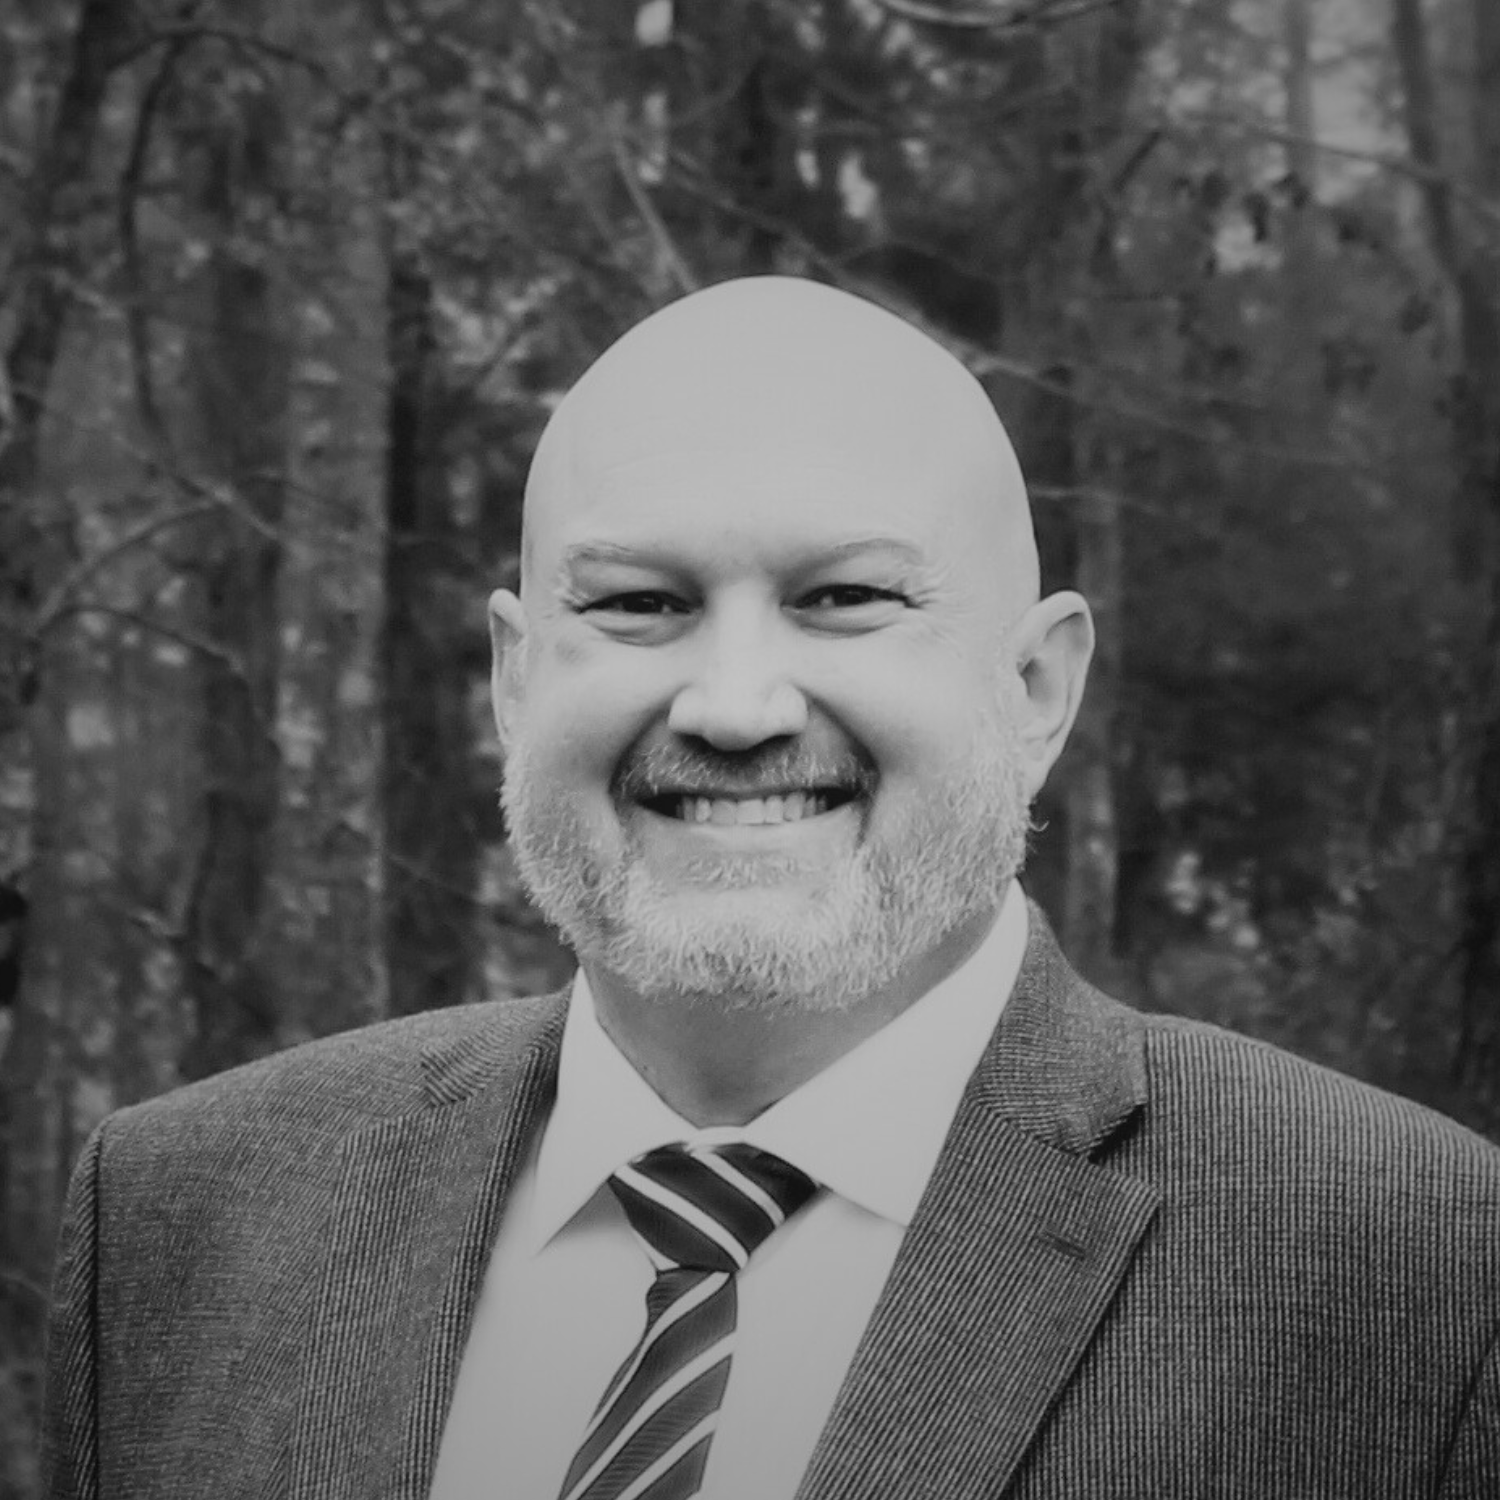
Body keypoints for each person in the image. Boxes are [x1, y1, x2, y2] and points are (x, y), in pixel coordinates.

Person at [41, 277, 1500, 1500]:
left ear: (1038, 684)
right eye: (637, 605)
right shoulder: (177, 1221)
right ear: (513, 675)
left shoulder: (1419, 1276)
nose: (734, 705)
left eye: (845, 598)